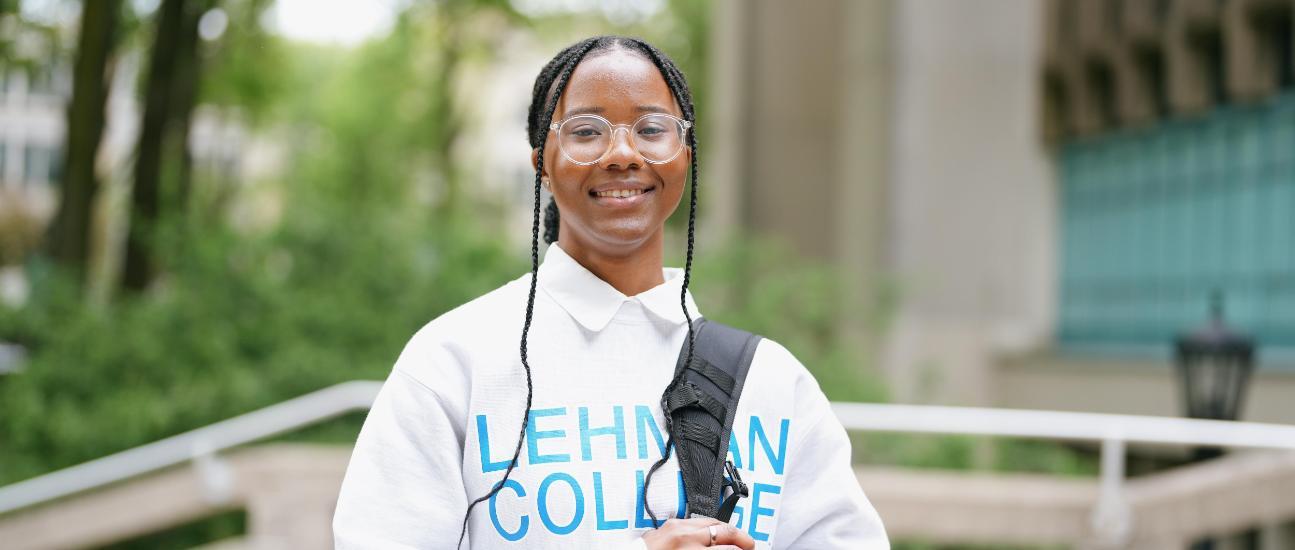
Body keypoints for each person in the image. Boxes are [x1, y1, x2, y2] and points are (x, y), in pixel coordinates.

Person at [332, 35, 889, 550]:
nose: (622, 153)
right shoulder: (454, 363)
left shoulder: (773, 381)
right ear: (542, 163)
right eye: (586, 131)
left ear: (686, 154)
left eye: (651, 129)